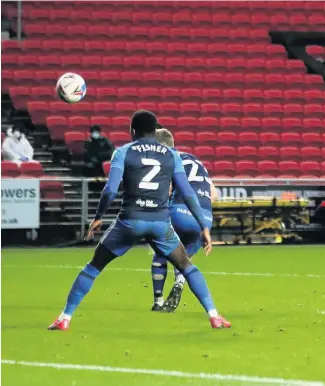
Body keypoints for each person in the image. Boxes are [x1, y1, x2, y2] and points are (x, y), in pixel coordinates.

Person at [47, 110, 216, 331]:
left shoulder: (123, 152)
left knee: (93, 267)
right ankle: (214, 316)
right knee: (186, 265)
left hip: (129, 221)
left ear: (132, 130)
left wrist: (98, 217)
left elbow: (110, 190)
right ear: (155, 131)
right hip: (159, 222)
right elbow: (188, 192)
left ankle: (65, 317)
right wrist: (204, 226)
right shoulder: (172, 155)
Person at [150, 128, 230, 328]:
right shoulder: (196, 161)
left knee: (160, 250)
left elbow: (167, 188)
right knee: (184, 259)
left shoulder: (168, 160)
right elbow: (214, 194)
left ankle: (158, 301)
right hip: (204, 217)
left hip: (179, 211)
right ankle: (179, 282)